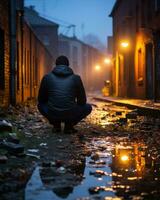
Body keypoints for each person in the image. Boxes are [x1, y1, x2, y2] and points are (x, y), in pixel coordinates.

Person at [37, 55, 92, 133]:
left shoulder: (47, 77)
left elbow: (41, 99)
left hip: (53, 113)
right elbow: (82, 101)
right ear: (68, 66)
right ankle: (69, 125)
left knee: (40, 105)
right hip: (70, 113)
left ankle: (56, 125)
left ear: (56, 65)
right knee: (88, 107)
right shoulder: (76, 78)